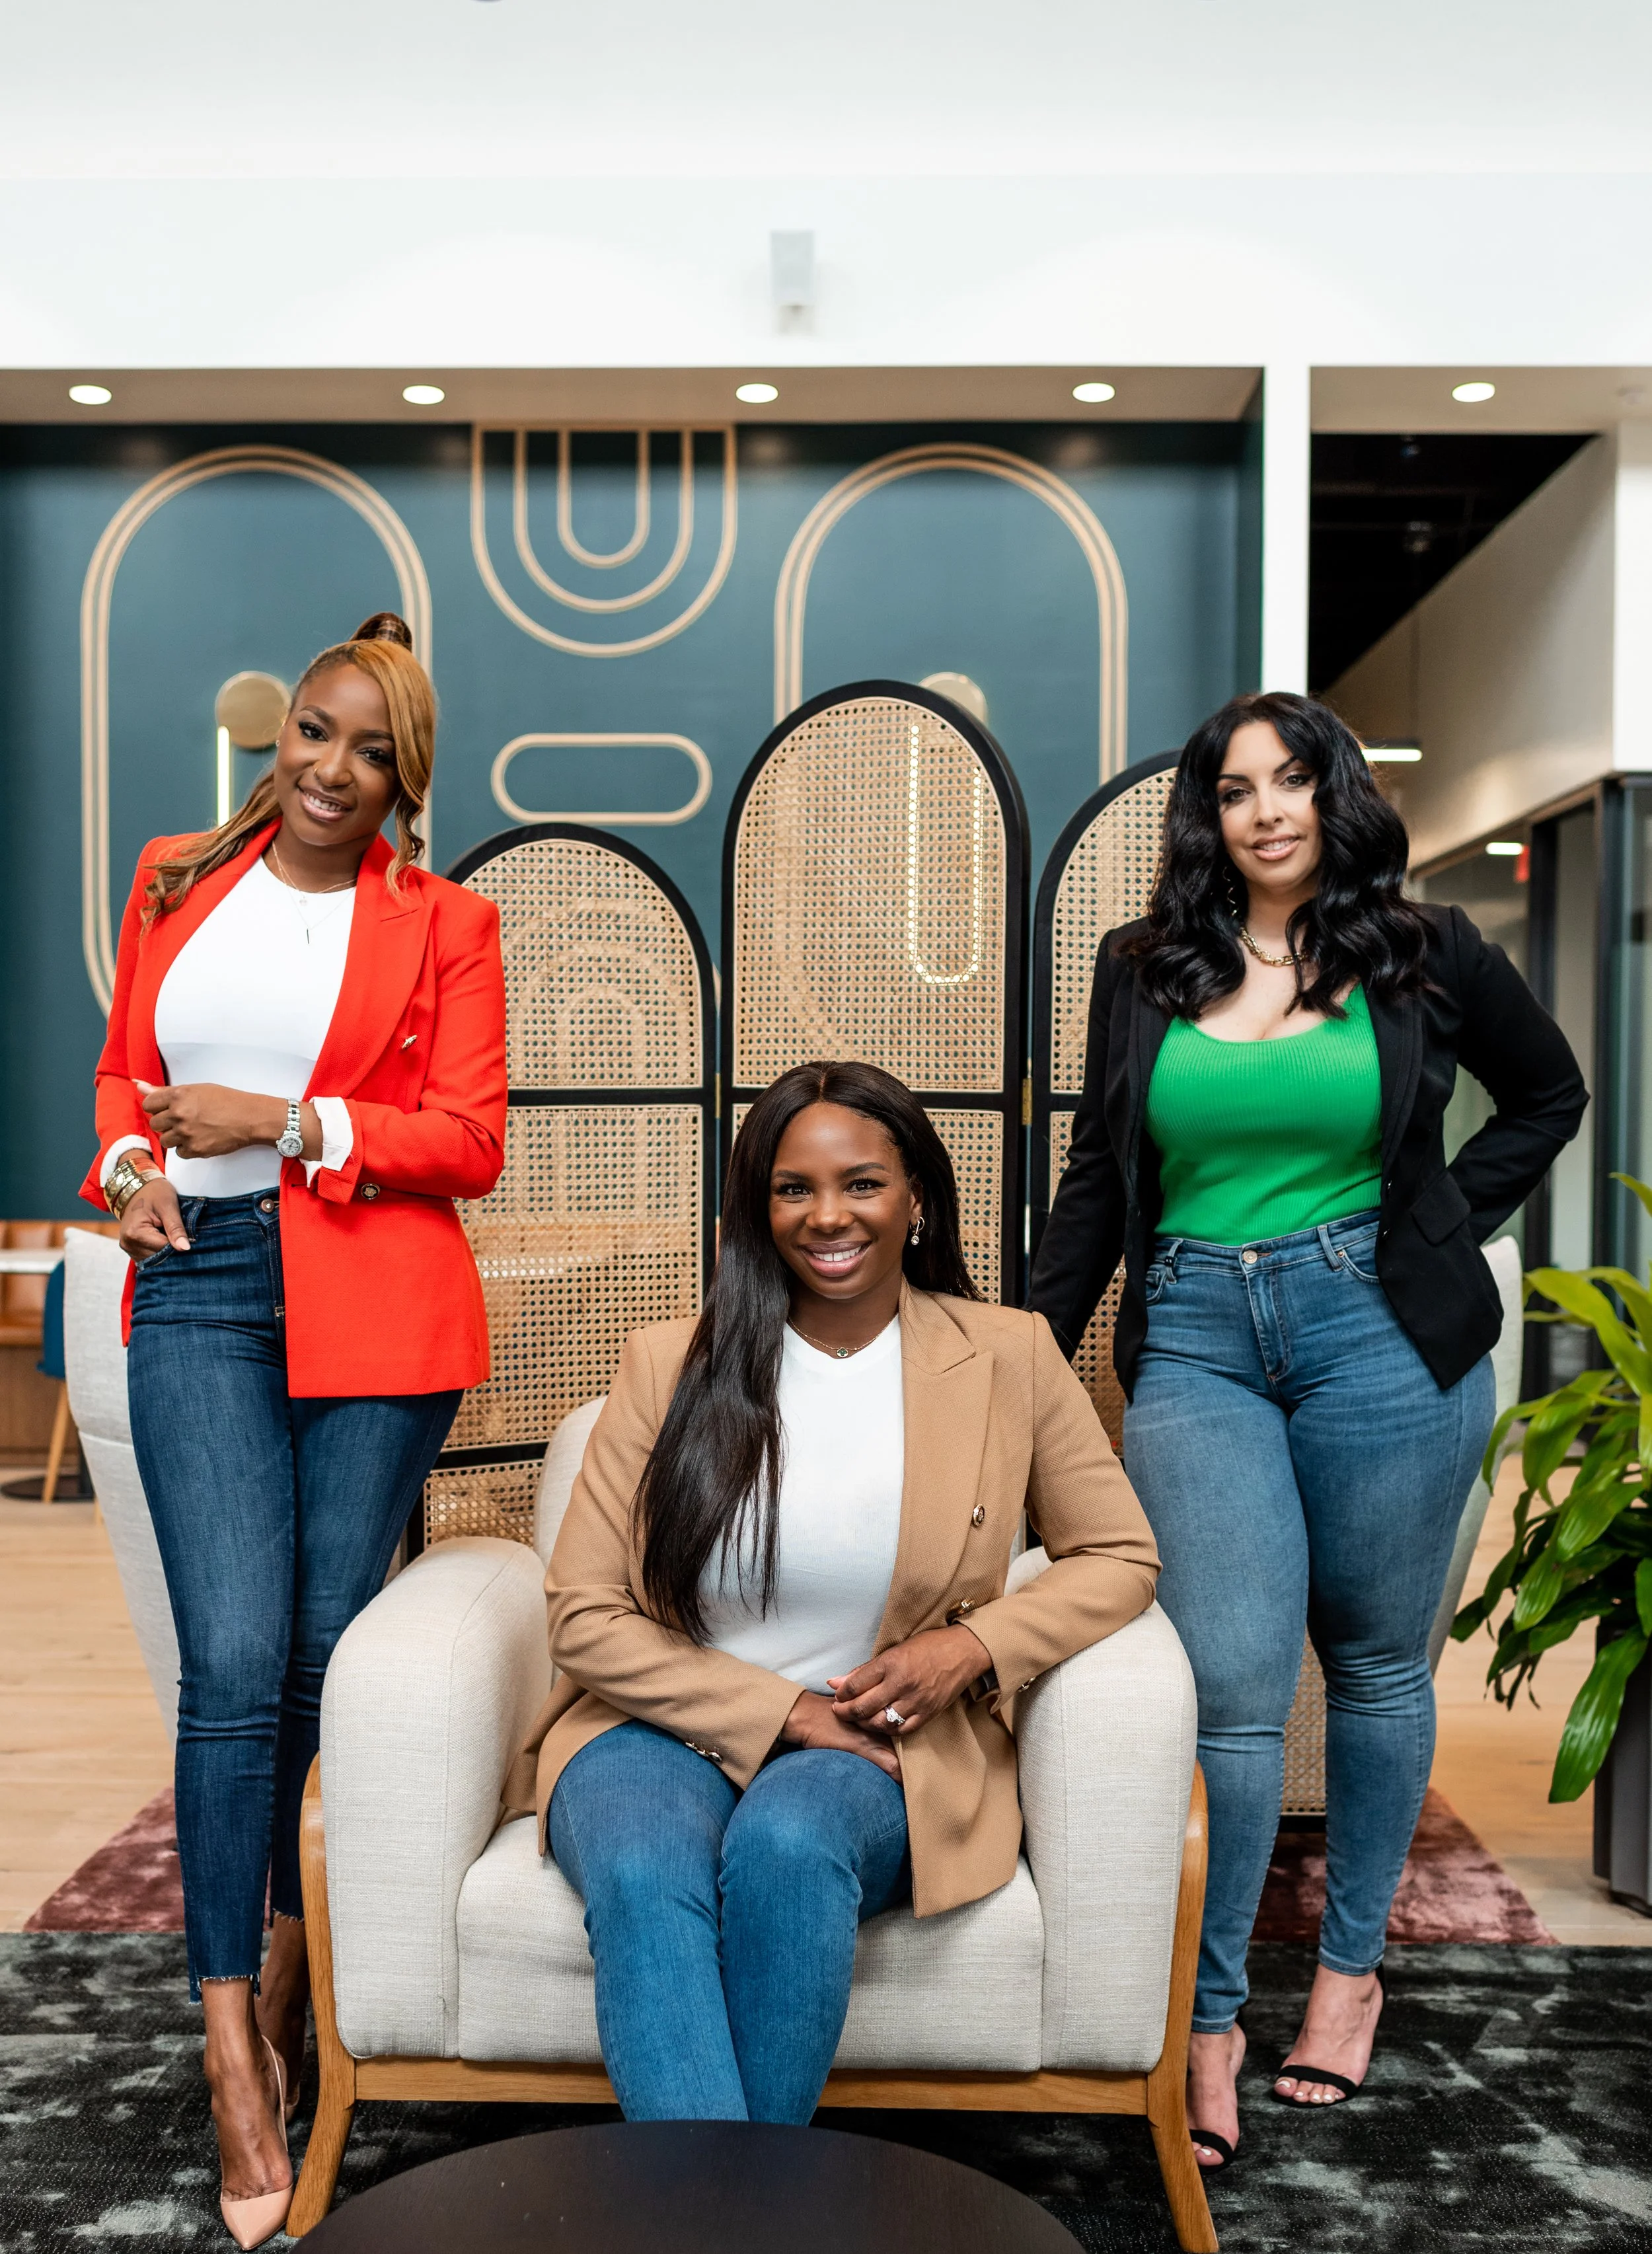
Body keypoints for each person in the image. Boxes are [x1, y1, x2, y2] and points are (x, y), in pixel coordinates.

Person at [1028, 691, 1586, 2171]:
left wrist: (1435, 1221)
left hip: (1377, 1334)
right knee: (1227, 1684)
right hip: (1199, 1335)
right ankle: (1206, 2018)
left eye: (1289, 780)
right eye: (1232, 788)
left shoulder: (1423, 951)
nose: (1263, 807)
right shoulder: (1141, 969)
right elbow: (1099, 1173)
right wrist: (1016, 1347)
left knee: (1374, 1664)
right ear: (1204, 817)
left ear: (1332, 795)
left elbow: (1549, 1093)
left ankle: (1347, 1977)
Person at [505, 1059, 1160, 2123]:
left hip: (883, 1741)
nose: (827, 1216)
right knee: (636, 1868)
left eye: (861, 1182)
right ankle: (755, 2219)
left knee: (788, 1843)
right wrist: (784, 1713)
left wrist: (974, 1647)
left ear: (915, 1198)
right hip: (655, 1726)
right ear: (757, 1209)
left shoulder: (1009, 1353)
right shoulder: (669, 1362)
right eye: (792, 1188)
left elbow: (1121, 1555)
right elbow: (582, 1614)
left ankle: (713, 2221)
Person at [83, 614, 507, 2248]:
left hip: (374, 1296)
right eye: (313, 733)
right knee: (234, 1660)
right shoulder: (175, 873)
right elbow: (126, 1081)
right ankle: (230, 2049)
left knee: (326, 1650)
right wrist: (125, 1178)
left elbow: (467, 1140)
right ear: (281, 734)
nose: (329, 771)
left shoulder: (446, 921)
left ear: (409, 775)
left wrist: (287, 1120)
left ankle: (283, 1953)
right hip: (195, 1287)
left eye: (370, 750)